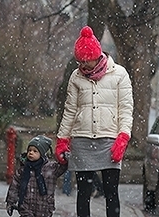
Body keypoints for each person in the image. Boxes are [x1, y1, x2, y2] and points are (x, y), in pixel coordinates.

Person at [55, 25, 134, 217]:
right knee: (83, 192)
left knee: (111, 192)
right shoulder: (76, 76)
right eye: (80, 61)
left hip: (110, 140)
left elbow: (125, 109)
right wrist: (62, 140)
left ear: (97, 55)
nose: (83, 65)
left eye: (86, 60)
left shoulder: (120, 74)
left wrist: (123, 137)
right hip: (82, 139)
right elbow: (70, 110)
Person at [5, 135, 68, 217]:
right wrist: (11, 202)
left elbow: (63, 166)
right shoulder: (23, 169)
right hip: (26, 206)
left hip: (44, 207)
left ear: (42, 154)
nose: (31, 152)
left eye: (35, 151)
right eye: (29, 150)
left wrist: (65, 157)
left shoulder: (51, 168)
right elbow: (14, 186)